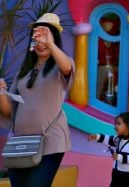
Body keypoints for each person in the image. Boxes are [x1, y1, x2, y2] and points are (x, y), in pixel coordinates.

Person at [0, 13, 75, 187]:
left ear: (53, 39)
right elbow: (7, 111)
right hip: (21, 144)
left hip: (50, 142)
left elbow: (67, 68)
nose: (41, 42)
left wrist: (49, 42)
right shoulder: (23, 71)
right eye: (37, 37)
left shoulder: (60, 64)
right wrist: (1, 91)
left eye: (45, 37)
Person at [88, 112, 129, 187]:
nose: (115, 126)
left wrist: (120, 157)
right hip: (117, 172)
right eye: (115, 123)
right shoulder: (118, 138)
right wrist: (97, 137)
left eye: (118, 124)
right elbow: (109, 139)